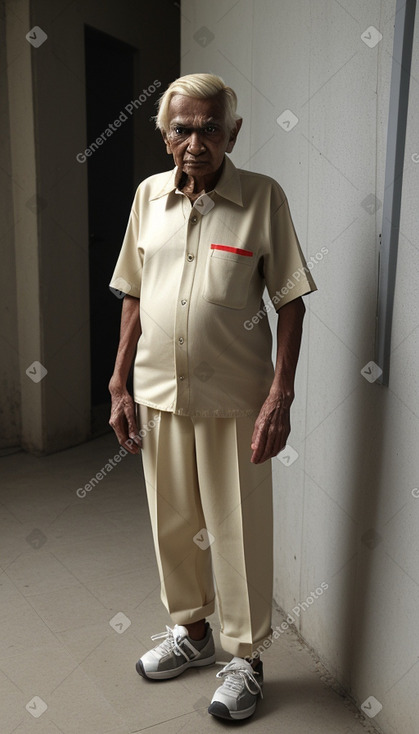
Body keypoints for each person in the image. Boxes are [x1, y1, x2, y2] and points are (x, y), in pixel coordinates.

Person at [108, 73, 316, 721]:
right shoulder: (147, 197)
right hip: (159, 393)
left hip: (235, 401)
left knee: (236, 533)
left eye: (208, 128)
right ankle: (194, 635)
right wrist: (119, 382)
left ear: (232, 133)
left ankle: (244, 661)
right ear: (164, 135)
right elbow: (135, 294)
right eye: (181, 129)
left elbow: (289, 301)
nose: (194, 143)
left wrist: (280, 395)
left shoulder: (262, 199)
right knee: (174, 526)